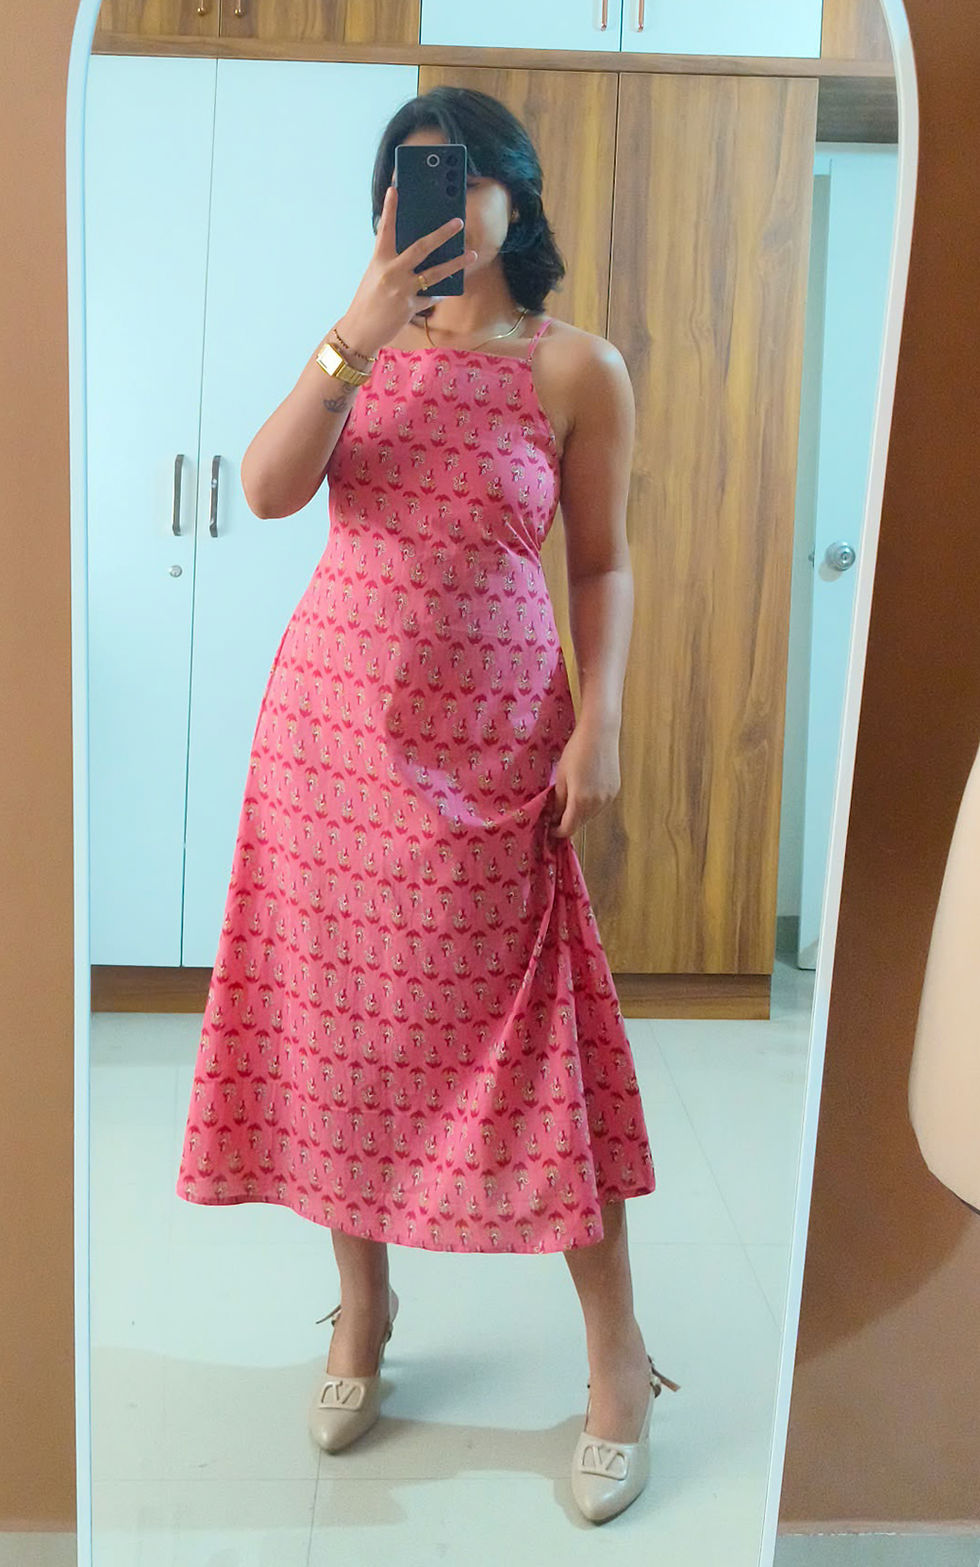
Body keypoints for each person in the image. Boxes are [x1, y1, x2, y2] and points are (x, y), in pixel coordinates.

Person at [175, 85, 677, 1524]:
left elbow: (600, 562)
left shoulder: (577, 369)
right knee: (341, 1033)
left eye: (453, 178)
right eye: (404, 184)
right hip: (329, 745)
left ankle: (618, 1361)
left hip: (499, 749)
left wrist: (602, 718)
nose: (431, 206)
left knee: (538, 1048)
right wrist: (356, 331)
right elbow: (270, 491)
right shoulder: (362, 347)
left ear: (514, 192)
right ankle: (362, 1311)